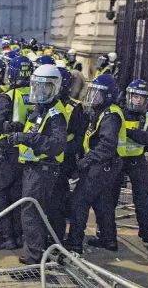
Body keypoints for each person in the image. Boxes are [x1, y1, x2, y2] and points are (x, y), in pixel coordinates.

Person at [6, 64, 68, 264]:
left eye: (45, 88)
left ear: (55, 88)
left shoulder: (56, 114)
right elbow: (35, 131)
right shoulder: (41, 108)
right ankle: (37, 251)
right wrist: (17, 129)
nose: (40, 92)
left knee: (31, 213)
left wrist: (26, 138)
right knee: (34, 212)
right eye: (37, 86)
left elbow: (56, 145)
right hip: (33, 167)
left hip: (44, 169)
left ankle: (34, 259)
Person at [66, 74, 126, 254]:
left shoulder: (110, 115)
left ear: (108, 96)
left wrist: (86, 160)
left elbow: (107, 145)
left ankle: (74, 242)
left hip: (101, 165)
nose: (94, 97)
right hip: (107, 166)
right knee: (103, 203)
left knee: (79, 202)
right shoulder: (102, 112)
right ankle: (108, 240)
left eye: (98, 94)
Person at [0, 56, 34, 250]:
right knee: (15, 195)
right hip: (27, 151)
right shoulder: (35, 93)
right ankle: (18, 235)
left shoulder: (8, 96)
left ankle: (5, 235)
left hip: (8, 151)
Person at [118, 79, 148, 243]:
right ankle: (105, 232)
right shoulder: (119, 112)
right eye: (135, 97)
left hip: (137, 159)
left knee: (145, 195)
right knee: (108, 195)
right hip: (118, 159)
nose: (138, 101)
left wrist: (129, 132)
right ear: (129, 96)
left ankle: (145, 229)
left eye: (141, 98)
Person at [47, 67, 86, 243]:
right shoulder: (46, 103)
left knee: (56, 202)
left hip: (63, 160)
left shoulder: (74, 108)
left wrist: (61, 150)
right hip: (46, 157)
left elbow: (78, 138)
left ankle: (56, 236)